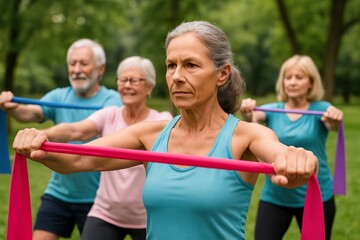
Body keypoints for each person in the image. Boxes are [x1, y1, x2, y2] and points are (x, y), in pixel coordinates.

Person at [13, 21, 318, 240]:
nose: (177, 76)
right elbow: (79, 160)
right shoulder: (149, 135)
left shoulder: (246, 137)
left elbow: (282, 157)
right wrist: (41, 145)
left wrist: (297, 160)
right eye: (171, 66)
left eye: (191, 65)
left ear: (222, 74)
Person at [1, 38, 122, 240]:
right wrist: (13, 107)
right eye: (72, 63)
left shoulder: (113, 101)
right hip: (58, 194)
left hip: (99, 199)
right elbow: (31, 113)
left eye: (83, 63)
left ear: (100, 69)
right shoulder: (58, 96)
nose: (76, 69)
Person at [41, 56, 173, 240]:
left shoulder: (161, 120)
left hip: (148, 216)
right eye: (123, 80)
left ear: (149, 87)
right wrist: (43, 135)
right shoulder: (109, 114)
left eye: (134, 80)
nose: (127, 85)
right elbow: (74, 131)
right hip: (106, 214)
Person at [240, 55, 343, 240]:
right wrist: (248, 112)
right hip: (275, 196)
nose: (292, 82)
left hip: (315, 195)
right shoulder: (271, 109)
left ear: (311, 83)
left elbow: (332, 125)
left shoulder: (322, 109)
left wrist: (335, 119)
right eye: (288, 77)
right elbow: (252, 124)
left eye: (299, 77)